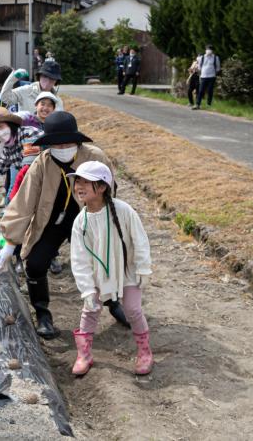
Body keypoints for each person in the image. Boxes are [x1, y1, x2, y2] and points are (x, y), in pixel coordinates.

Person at [0, 113, 127, 338]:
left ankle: (113, 303)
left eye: (67, 143)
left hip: (88, 219)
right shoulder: (42, 164)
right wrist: (9, 241)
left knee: (103, 261)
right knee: (35, 264)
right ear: (49, 144)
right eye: (57, 143)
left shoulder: (95, 158)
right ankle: (43, 315)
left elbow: (110, 191)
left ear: (77, 141)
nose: (63, 147)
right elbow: (24, 202)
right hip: (52, 220)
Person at [68, 161, 153, 376]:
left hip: (127, 272)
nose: (79, 186)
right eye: (78, 180)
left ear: (103, 186)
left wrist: (143, 267)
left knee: (133, 309)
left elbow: (140, 240)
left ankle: (144, 352)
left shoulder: (123, 211)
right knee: (90, 310)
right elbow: (79, 259)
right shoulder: (81, 222)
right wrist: (87, 289)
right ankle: (84, 354)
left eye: (87, 182)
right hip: (98, 276)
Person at [0, 61, 64, 113]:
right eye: (45, 76)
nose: (47, 81)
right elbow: (4, 98)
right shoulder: (27, 91)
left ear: (56, 81)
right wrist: (13, 77)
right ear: (39, 76)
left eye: (52, 78)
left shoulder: (58, 101)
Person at [193, 44, 221, 110]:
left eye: (210, 49)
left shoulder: (215, 58)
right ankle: (197, 104)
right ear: (205, 50)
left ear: (212, 50)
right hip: (203, 76)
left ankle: (209, 104)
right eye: (208, 49)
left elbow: (218, 67)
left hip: (212, 76)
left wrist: (214, 72)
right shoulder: (201, 58)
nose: (209, 50)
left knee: (210, 91)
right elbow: (199, 67)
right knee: (201, 90)